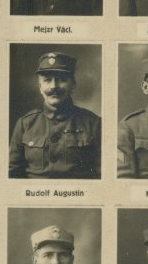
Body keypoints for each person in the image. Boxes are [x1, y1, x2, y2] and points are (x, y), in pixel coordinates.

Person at [8, 50, 101, 179]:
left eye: (62, 80)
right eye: (47, 80)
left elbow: (102, 175)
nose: (54, 86)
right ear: (40, 87)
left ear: (73, 85)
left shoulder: (93, 124)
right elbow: (12, 173)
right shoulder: (25, 124)